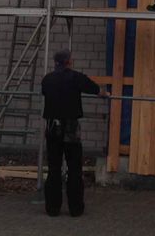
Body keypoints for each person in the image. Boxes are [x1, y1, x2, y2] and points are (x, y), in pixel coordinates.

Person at [41, 49, 109, 217]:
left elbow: (44, 93)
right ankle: (75, 208)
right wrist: (105, 94)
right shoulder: (75, 77)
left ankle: (52, 208)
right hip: (71, 129)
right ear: (69, 62)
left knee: (54, 168)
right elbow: (94, 88)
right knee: (74, 169)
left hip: (52, 128)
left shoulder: (47, 79)